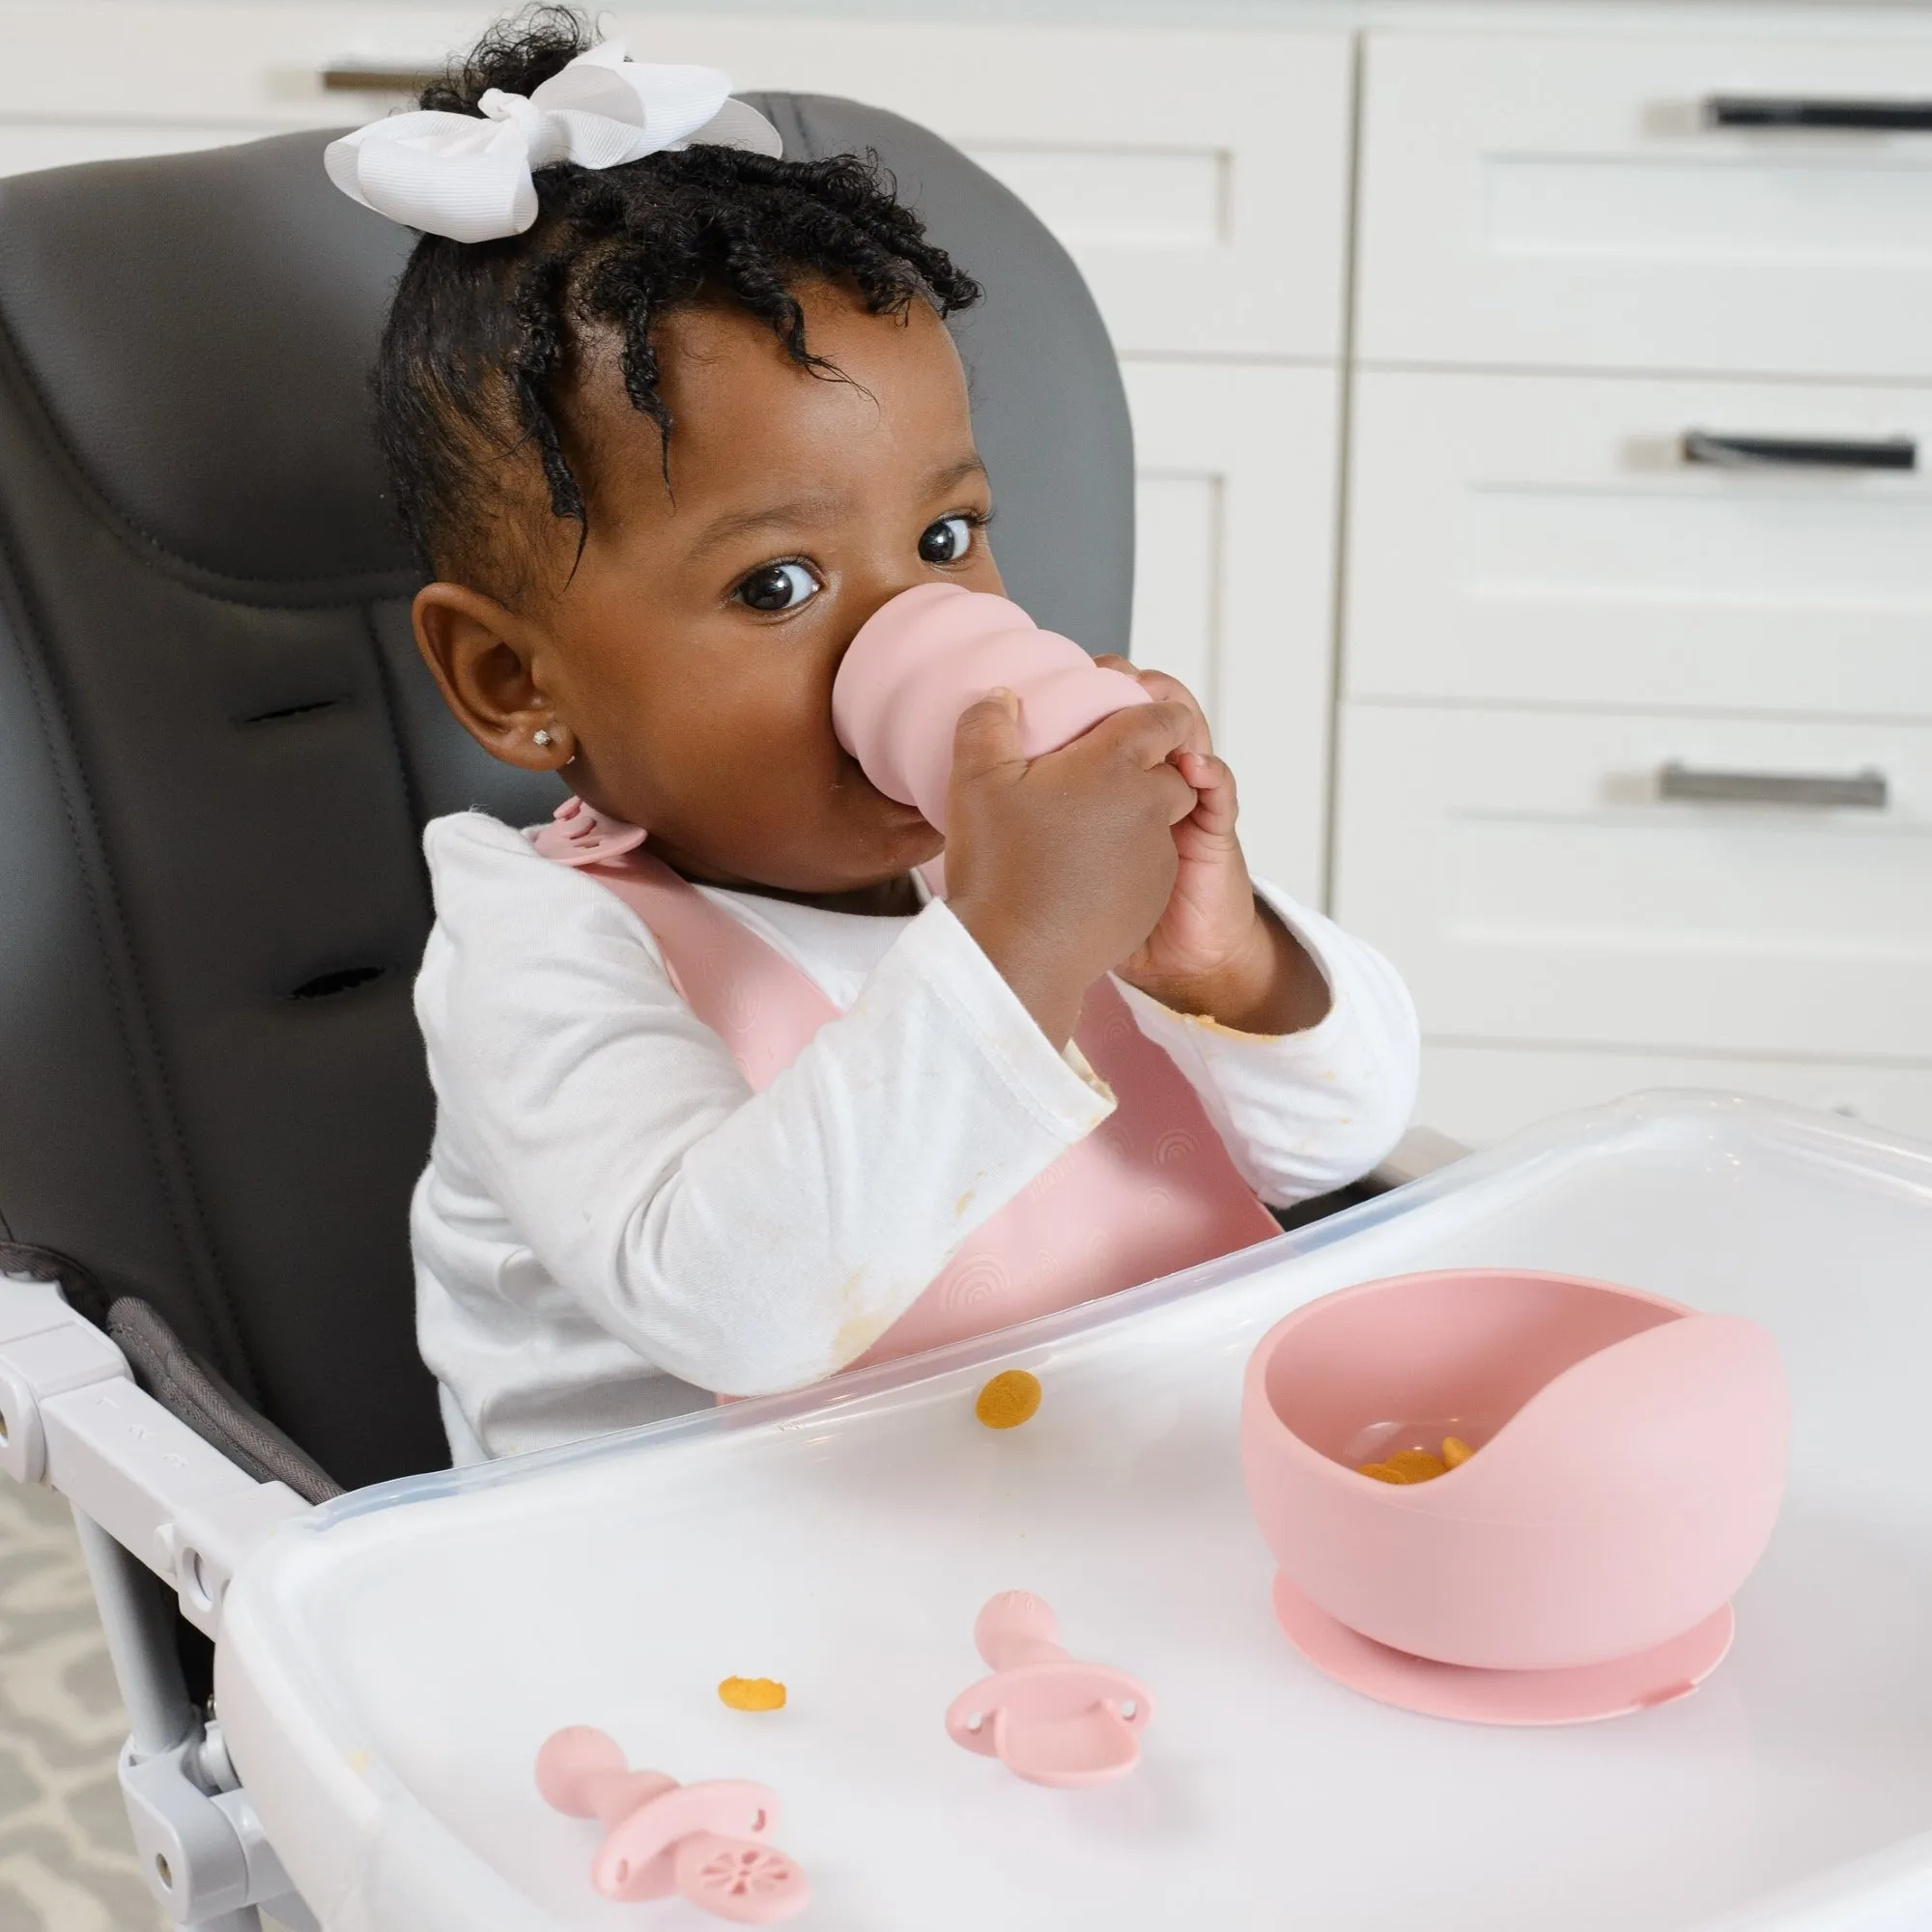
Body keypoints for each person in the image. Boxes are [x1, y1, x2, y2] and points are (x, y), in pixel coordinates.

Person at [328, 7, 1419, 1463]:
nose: (911, 635)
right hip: (687, 1606)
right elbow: (743, 1308)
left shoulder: (1028, 842)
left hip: (1108, 1511)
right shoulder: (540, 950)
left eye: (947, 535)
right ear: (515, 682)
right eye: (776, 585)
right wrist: (1012, 946)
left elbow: (1335, 1144)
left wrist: (1233, 970)